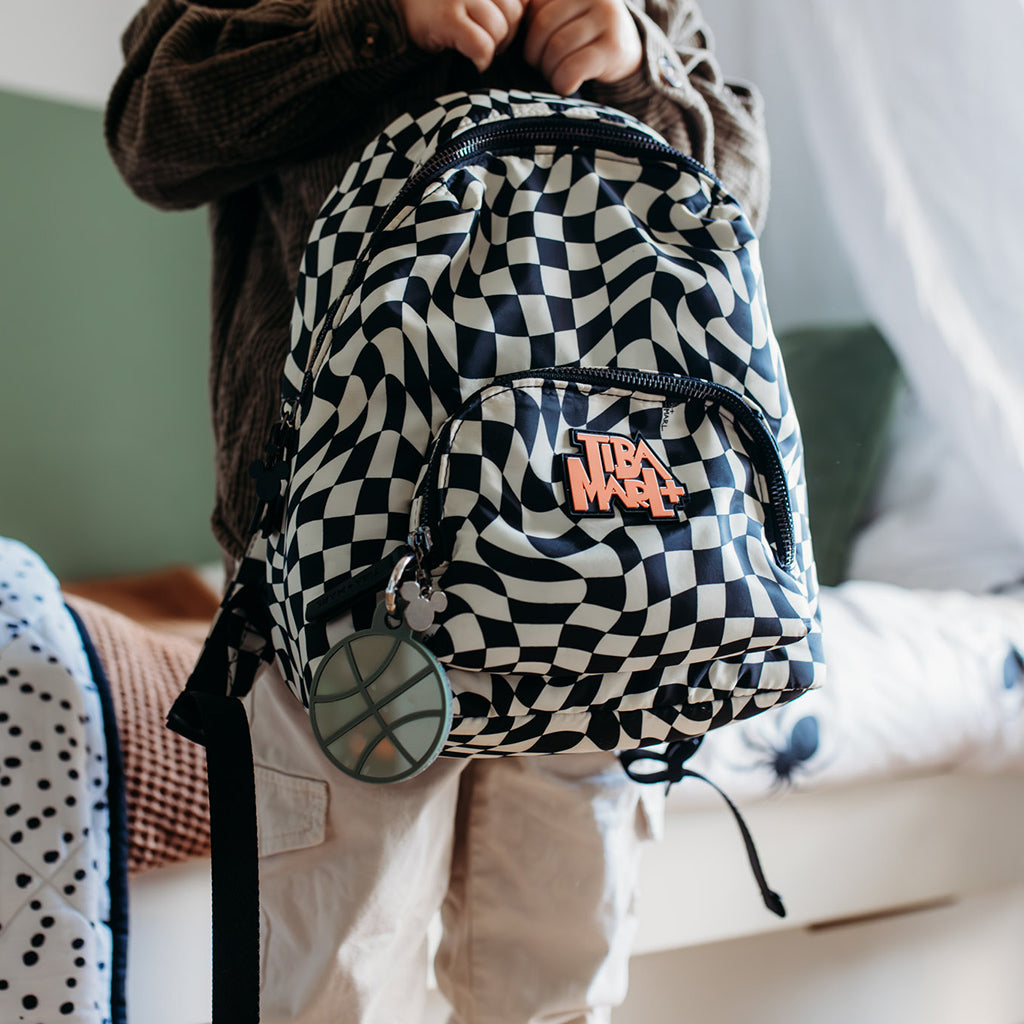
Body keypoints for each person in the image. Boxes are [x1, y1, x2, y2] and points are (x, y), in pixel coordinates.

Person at [105, 2, 769, 1021]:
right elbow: (153, 134)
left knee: (556, 985)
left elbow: (735, 196)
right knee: (335, 987)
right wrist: (374, 24)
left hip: (604, 564)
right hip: (341, 568)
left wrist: (639, 66)